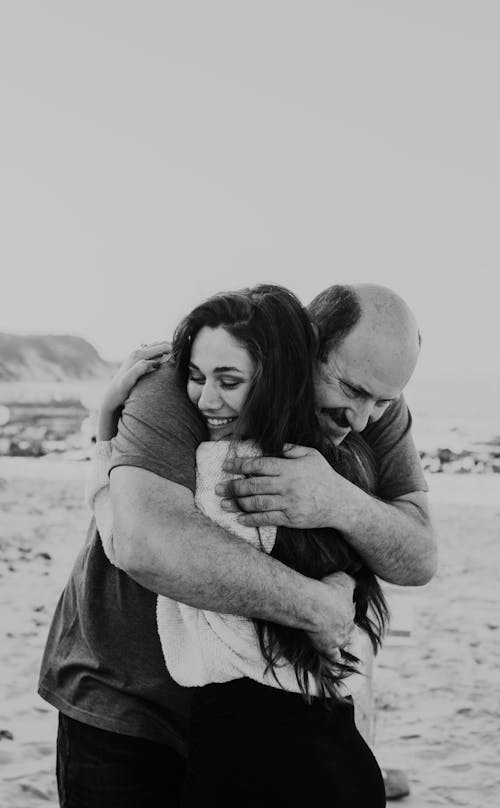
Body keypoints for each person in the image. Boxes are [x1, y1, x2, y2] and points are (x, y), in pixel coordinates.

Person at [39, 282, 436, 807]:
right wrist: (315, 606)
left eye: (382, 401)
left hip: (257, 714)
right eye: (351, 391)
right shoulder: (183, 385)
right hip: (125, 697)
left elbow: (419, 557)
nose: (362, 419)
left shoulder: (376, 399)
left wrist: (336, 500)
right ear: (303, 347)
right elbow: (143, 543)